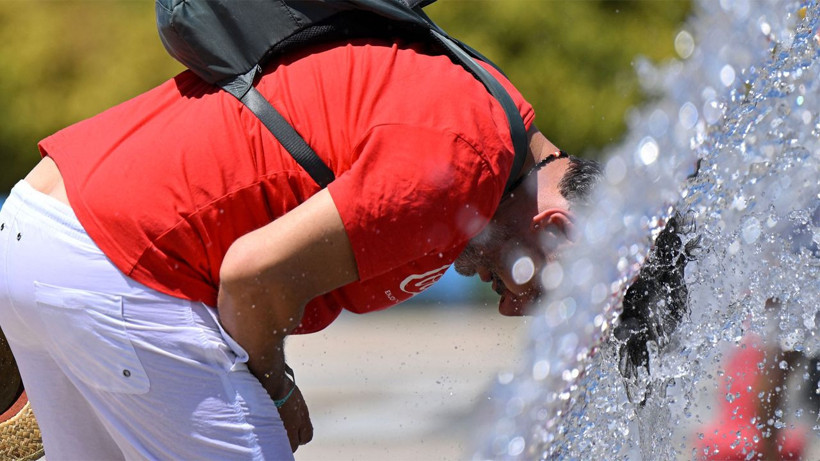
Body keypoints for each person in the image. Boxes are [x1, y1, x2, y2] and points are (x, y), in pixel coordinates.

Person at [0, 31, 601, 459]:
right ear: (558, 229)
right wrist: (277, 388)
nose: (511, 308)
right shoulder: (462, 162)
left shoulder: (487, 105)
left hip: (45, 223)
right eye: (541, 295)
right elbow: (251, 276)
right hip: (122, 263)